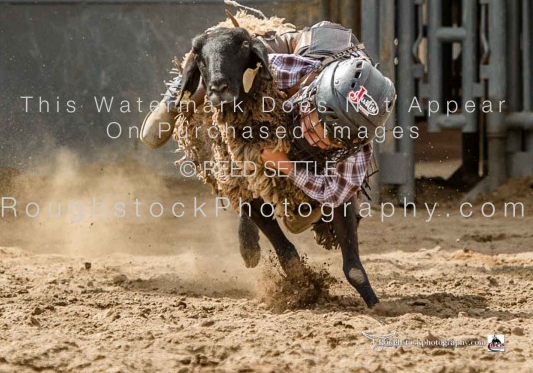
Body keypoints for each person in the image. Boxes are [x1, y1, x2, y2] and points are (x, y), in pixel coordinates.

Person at [140, 21, 396, 257]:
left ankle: (308, 209)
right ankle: (175, 100)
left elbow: (344, 181)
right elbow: (257, 69)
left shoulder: (363, 122)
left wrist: (299, 175)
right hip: (303, 55)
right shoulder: (288, 68)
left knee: (337, 170)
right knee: (236, 58)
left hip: (339, 94)